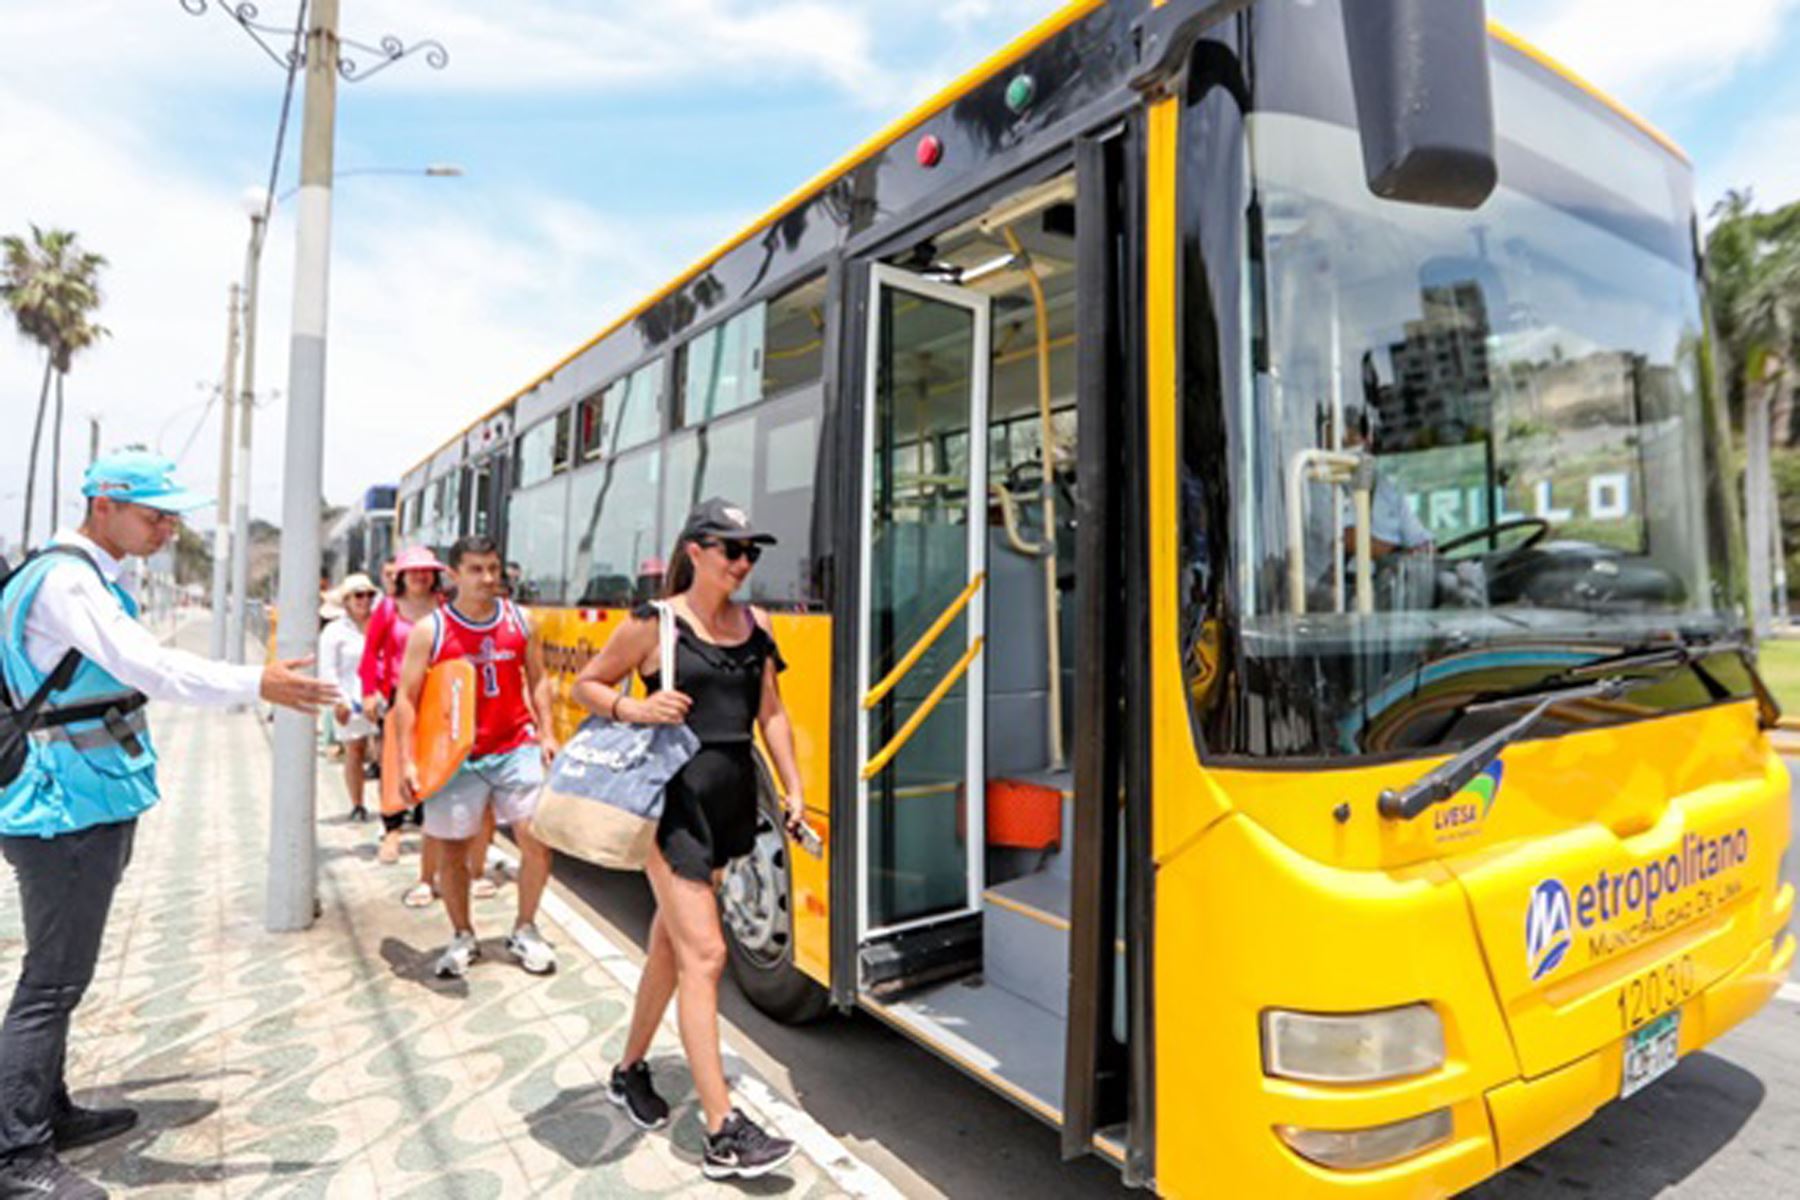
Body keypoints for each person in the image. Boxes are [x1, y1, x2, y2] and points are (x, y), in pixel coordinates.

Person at [0, 452, 337, 1199]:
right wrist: (260, 682)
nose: (167, 528)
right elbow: (148, 666)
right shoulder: (67, 580)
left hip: (81, 801)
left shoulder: (82, 576)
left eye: (171, 515)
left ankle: (46, 1112)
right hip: (62, 810)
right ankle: (16, 1156)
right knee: (52, 982)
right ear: (103, 505)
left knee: (63, 976)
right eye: (155, 515)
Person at [571, 498, 808, 1181]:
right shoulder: (656, 623)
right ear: (696, 550)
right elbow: (589, 683)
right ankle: (722, 1130)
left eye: (751, 553)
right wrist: (632, 707)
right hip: (671, 805)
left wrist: (792, 792)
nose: (743, 563)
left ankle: (627, 1070)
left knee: (672, 948)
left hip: (730, 802)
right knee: (706, 956)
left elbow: (773, 715)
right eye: (731, 550)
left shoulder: (756, 625)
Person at [393, 535, 559, 979]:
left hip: (514, 745)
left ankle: (525, 927)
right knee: (452, 853)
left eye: (493, 568)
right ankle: (463, 934)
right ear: (455, 574)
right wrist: (409, 760)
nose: (488, 578)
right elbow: (406, 698)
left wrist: (547, 733)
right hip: (456, 756)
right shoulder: (433, 629)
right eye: (476, 569)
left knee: (537, 839)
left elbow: (539, 680)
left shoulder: (521, 621)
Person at [359, 548, 445, 885]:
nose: (420, 577)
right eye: (413, 572)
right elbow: (371, 653)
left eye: (426, 571)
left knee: (432, 763)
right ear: (402, 577)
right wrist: (368, 692)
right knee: (395, 761)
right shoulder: (388, 609)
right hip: (399, 694)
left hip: (436, 695)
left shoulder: (444, 607)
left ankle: (430, 828)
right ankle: (392, 829)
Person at [318, 574, 379, 821]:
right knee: (355, 750)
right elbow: (328, 669)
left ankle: (393, 808)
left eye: (369, 595)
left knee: (386, 751)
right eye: (358, 595)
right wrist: (338, 702)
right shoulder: (334, 631)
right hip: (350, 697)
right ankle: (357, 804)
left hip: (379, 696)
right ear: (346, 600)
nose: (364, 600)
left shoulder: (381, 624)